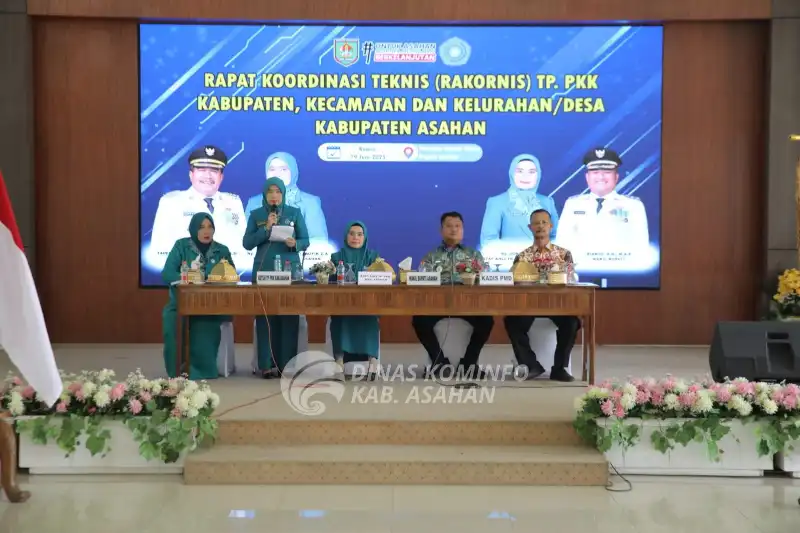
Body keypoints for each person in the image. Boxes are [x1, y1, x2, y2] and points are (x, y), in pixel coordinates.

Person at [411, 212, 494, 377]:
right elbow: (423, 278)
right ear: (441, 230)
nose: (454, 230)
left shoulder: (474, 255)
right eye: (449, 226)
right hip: (438, 303)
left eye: (458, 226)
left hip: (468, 303)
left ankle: (469, 364)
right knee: (419, 320)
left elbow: (485, 277)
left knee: (486, 321)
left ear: (463, 229)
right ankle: (439, 363)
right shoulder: (431, 256)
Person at [243, 177, 310, 378]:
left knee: (289, 316)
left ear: (283, 194)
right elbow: (247, 243)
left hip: (289, 270)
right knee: (266, 318)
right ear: (265, 194)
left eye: (278, 192)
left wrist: (296, 243)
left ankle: (287, 365)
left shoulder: (294, 213)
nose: (274, 196)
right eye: (270, 191)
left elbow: (305, 240)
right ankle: (266, 365)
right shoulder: (256, 215)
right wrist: (266, 228)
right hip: (264, 270)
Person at [505, 209, 579, 382]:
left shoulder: (564, 254)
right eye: (536, 223)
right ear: (530, 227)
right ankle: (531, 365)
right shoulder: (522, 257)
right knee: (511, 321)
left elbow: (570, 280)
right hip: (529, 304)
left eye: (544, 222)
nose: (540, 226)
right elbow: (514, 282)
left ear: (550, 226)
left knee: (572, 322)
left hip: (557, 304)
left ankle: (559, 369)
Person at [161, 213, 235, 379]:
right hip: (181, 303)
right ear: (194, 229)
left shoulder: (222, 250)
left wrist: (211, 279)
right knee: (172, 321)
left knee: (205, 323)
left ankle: (201, 371)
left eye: (210, 227)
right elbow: (167, 273)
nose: (206, 231)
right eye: (201, 227)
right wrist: (187, 279)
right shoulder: (181, 246)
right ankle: (177, 370)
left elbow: (231, 275)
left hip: (211, 304)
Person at [149, 145, 247, 268]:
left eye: (214, 170)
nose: (208, 176)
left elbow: (245, 249)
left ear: (221, 177)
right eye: (202, 170)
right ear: (191, 174)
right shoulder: (171, 203)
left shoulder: (233, 202)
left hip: (228, 276)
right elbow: (159, 252)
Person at [555, 147, 649, 254]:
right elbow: (562, 245)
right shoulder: (573, 204)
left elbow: (640, 248)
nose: (601, 177)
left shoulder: (633, 206)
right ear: (587, 177)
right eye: (595, 172)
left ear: (616, 177)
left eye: (607, 172)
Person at [329, 221, 380, 379]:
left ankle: (373, 361)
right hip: (342, 302)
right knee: (338, 317)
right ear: (346, 236)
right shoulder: (336, 257)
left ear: (365, 237)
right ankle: (339, 361)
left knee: (370, 317)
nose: (355, 237)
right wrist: (330, 271)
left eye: (359, 234)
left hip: (367, 303)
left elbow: (381, 278)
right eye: (351, 234)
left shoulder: (373, 257)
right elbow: (330, 282)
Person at [244, 151, 328, 244]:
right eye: (272, 169)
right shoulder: (254, 202)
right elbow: (244, 239)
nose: (277, 174)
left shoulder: (310, 202)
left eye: (283, 169)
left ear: (293, 171)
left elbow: (319, 242)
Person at [479, 154, 559, 249]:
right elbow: (488, 241)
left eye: (531, 172)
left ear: (538, 175)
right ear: (512, 173)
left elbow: (556, 236)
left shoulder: (547, 202)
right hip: (510, 257)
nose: (525, 176)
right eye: (520, 171)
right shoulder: (497, 202)